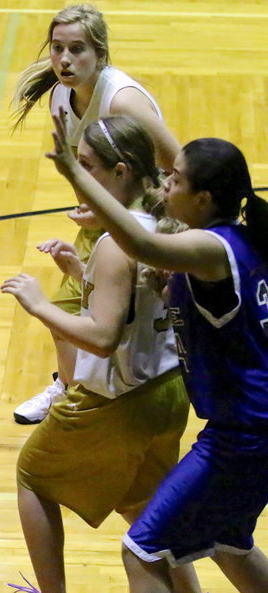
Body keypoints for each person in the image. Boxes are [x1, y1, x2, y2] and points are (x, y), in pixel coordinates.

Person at [47, 110, 268, 592]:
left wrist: (75, 171)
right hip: (253, 426)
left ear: (204, 199)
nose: (166, 183)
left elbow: (142, 243)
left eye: (176, 179)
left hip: (245, 434)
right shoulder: (240, 245)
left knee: (142, 550)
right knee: (230, 541)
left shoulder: (211, 248)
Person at [1, 116, 201, 593]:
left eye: (85, 166)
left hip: (117, 403)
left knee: (32, 476)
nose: (78, 177)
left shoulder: (116, 245)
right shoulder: (161, 228)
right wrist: (80, 269)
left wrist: (41, 305)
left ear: (119, 172)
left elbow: (103, 336)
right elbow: (134, 299)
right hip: (167, 393)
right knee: (149, 516)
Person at [10, 3, 181, 424]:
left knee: (118, 325)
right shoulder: (60, 97)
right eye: (57, 48)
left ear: (100, 55)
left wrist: (145, 225)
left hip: (144, 222)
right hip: (108, 216)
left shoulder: (122, 102)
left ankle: (130, 398)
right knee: (66, 314)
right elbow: (78, 163)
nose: (64, 60)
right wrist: (89, 207)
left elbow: (176, 168)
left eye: (77, 50)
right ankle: (69, 392)